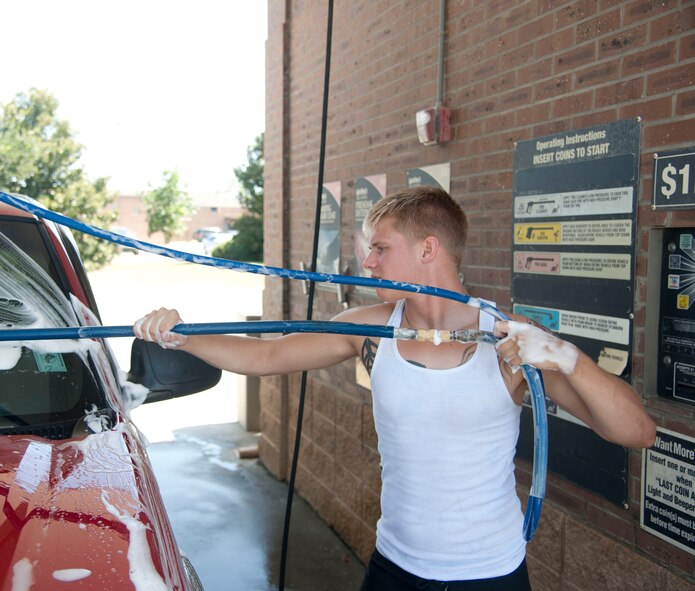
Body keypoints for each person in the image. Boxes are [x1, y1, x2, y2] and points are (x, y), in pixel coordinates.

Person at [133, 186, 656, 590]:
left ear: (429, 249)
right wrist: (185, 336)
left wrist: (568, 358)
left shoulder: (511, 342)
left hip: (490, 574)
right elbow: (270, 353)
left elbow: (636, 431)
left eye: (381, 247)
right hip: (394, 568)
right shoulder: (370, 328)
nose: (368, 261)